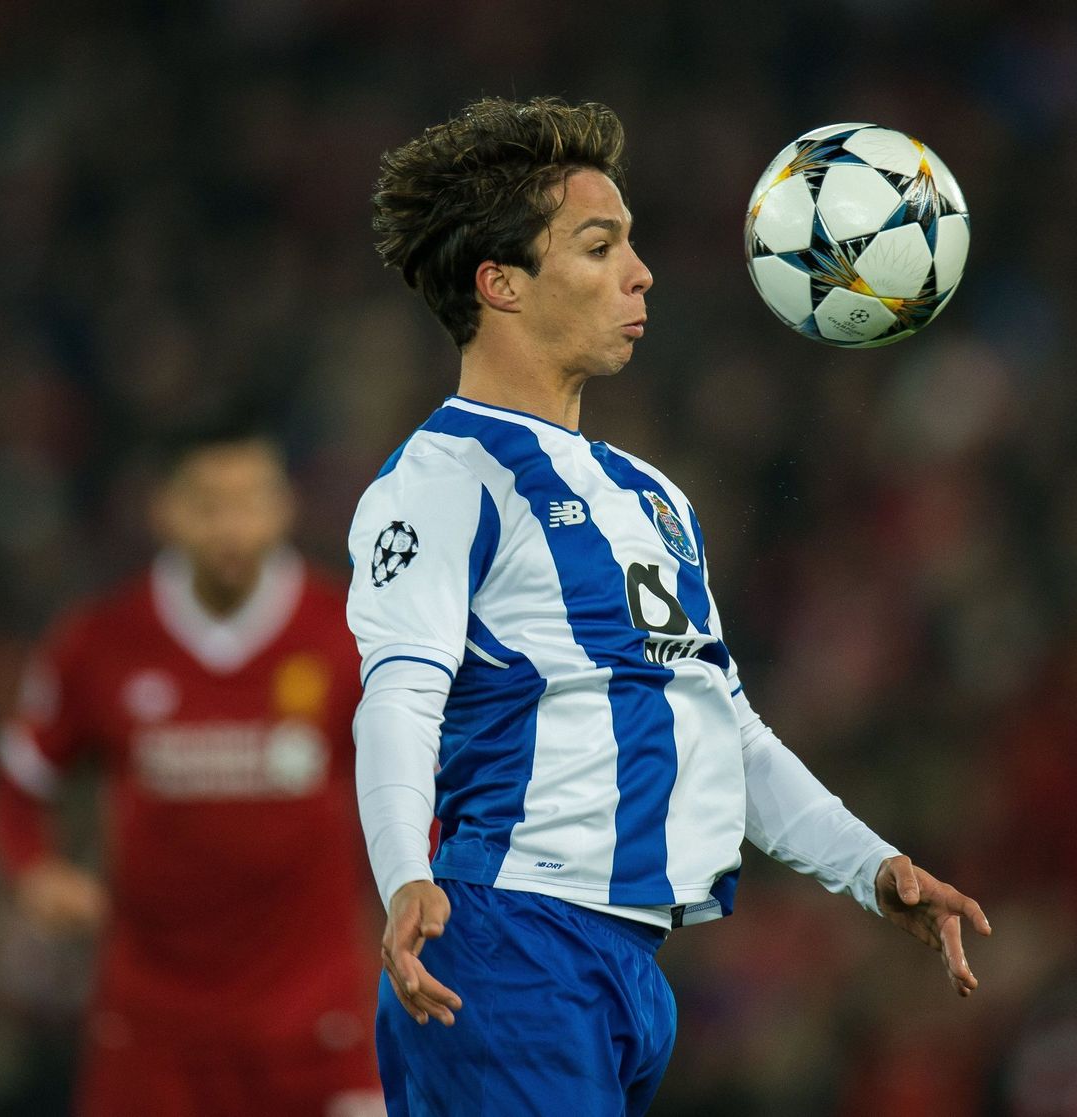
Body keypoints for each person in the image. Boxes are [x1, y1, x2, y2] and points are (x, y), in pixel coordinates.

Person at [348, 96, 991, 1116]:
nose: (639, 273)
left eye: (632, 244)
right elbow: (397, 696)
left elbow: (721, 723)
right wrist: (398, 876)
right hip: (510, 942)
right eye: (599, 247)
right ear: (500, 283)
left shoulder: (652, 495)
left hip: (628, 970)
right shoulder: (442, 479)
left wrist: (870, 866)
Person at [0, 425, 385, 1117]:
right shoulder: (100, 641)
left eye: (250, 499)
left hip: (316, 1028)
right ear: (162, 507)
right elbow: (20, 784)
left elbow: (424, 787)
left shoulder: (349, 635)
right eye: (207, 502)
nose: (232, 524)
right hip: (150, 1038)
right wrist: (36, 870)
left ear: (285, 504)